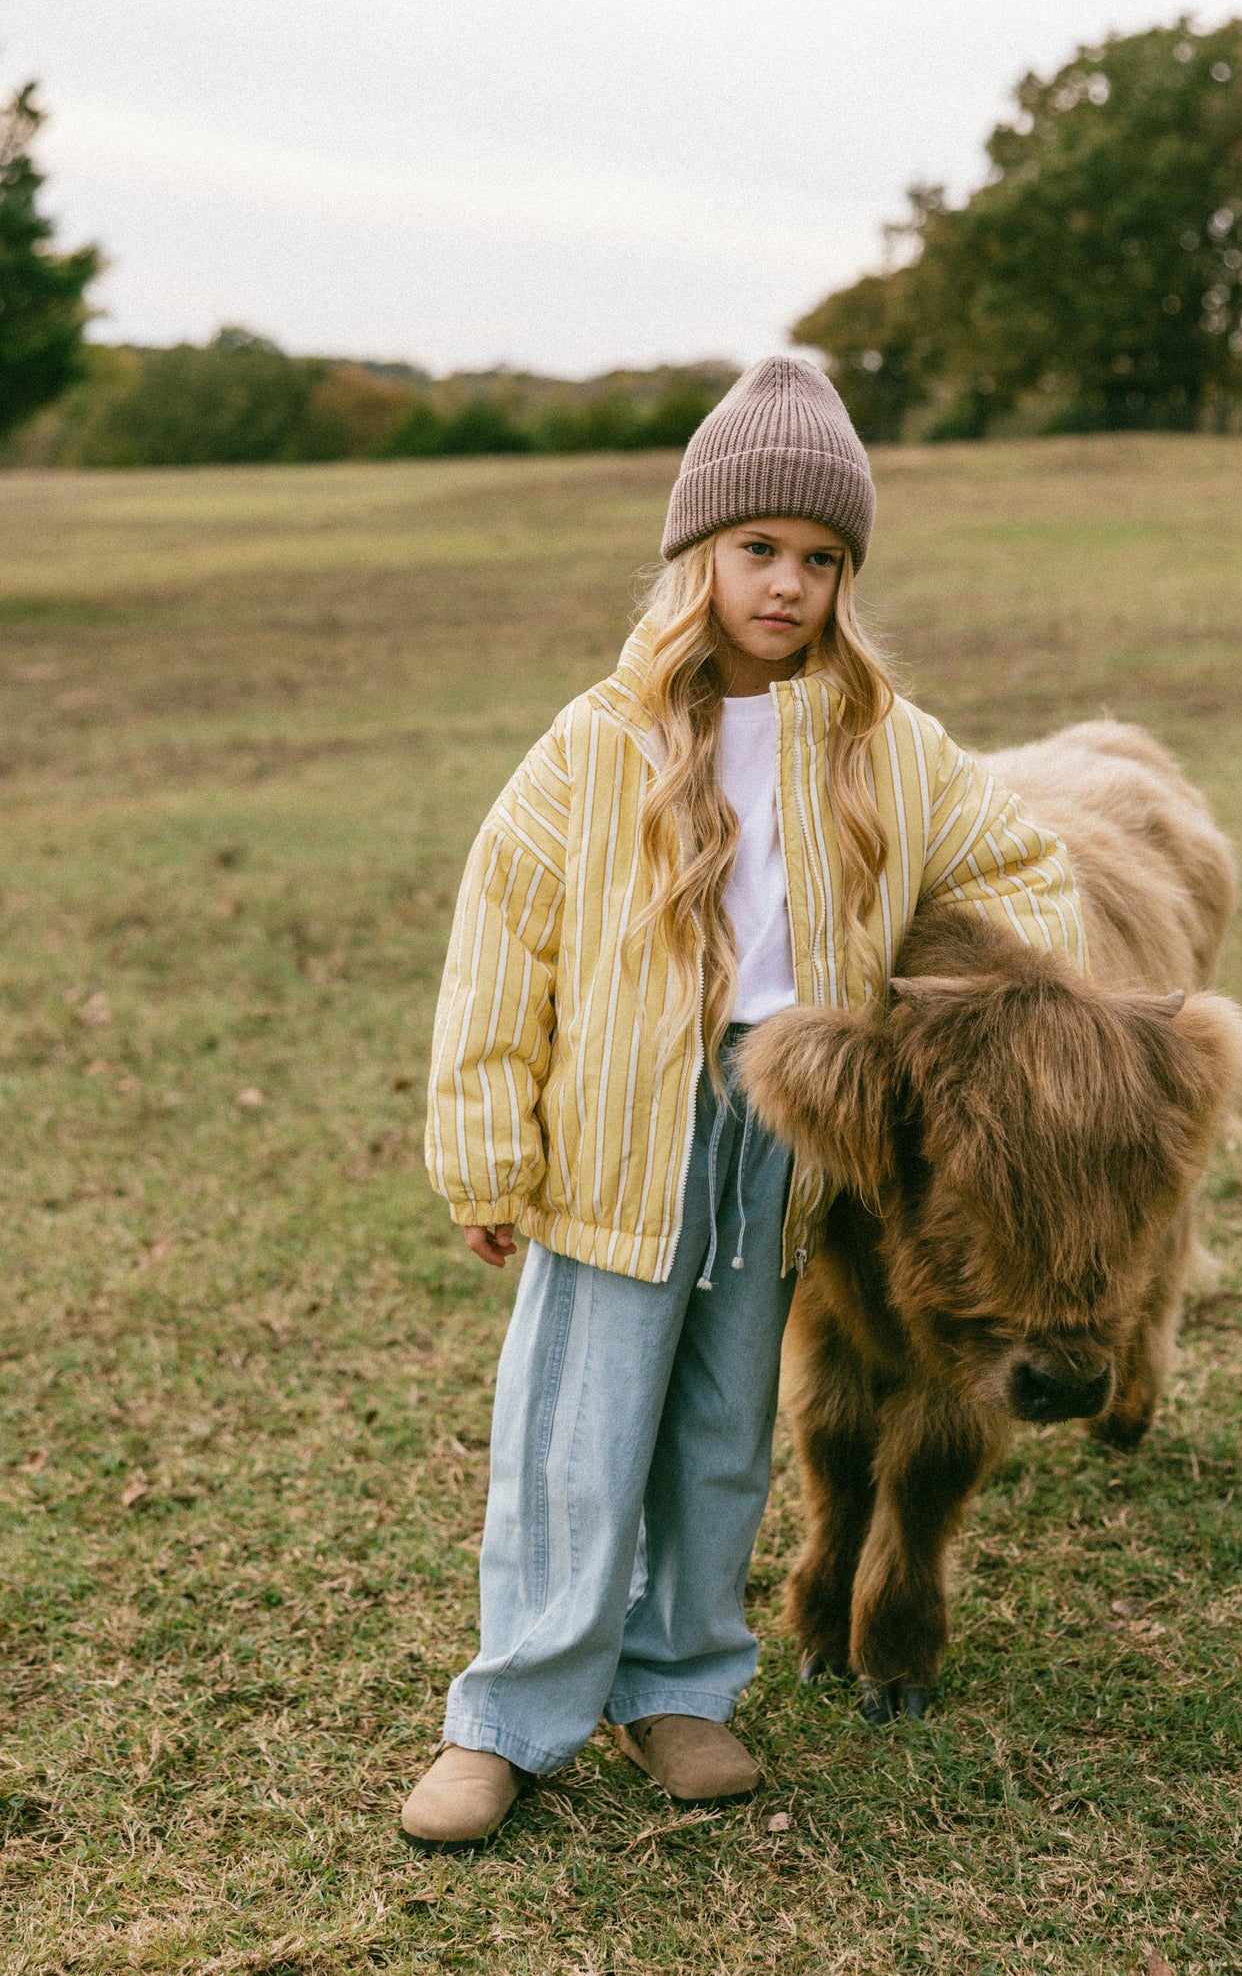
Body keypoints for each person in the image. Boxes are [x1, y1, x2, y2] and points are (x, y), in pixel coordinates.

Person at [400, 357, 1088, 1849]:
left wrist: (966, 1017)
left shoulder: (887, 745)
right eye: (759, 548)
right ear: (697, 554)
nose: (788, 584)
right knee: (577, 1434)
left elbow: (1023, 866)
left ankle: (680, 1687)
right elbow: (500, 941)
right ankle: (507, 1719)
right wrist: (487, 1150)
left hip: (789, 1128)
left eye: (821, 559)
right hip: (620, 1137)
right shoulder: (598, 743)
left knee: (723, 1425)